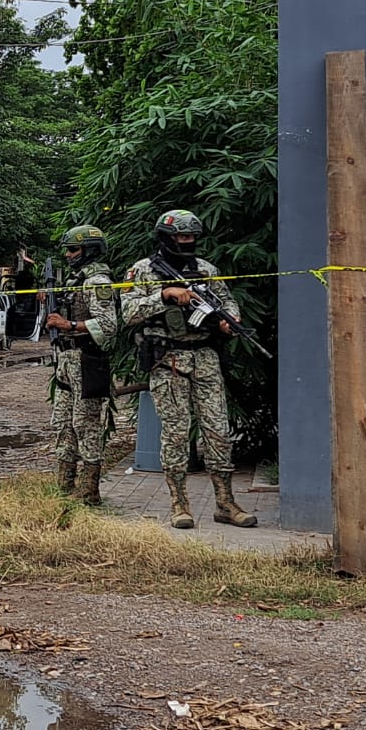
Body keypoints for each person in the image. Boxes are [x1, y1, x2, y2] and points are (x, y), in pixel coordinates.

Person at [120, 209, 257, 529]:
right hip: (167, 361)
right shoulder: (141, 271)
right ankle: (179, 504)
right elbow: (127, 313)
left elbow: (227, 302)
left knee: (219, 432)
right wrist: (164, 296)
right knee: (176, 435)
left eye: (192, 237)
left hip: (205, 358)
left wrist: (228, 322)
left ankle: (225, 503)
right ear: (166, 238)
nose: (188, 242)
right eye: (182, 237)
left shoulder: (206, 270)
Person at [43, 224, 118, 504]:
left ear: (89, 250)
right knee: (63, 422)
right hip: (67, 359)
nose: (68, 255)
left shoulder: (97, 282)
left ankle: (89, 491)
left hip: (88, 360)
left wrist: (70, 324)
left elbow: (109, 326)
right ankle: (64, 486)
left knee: (86, 424)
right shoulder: (77, 280)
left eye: (73, 249)